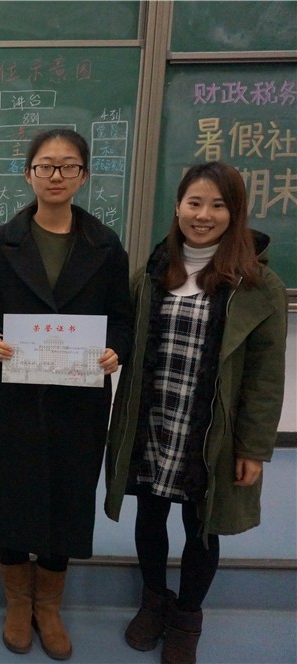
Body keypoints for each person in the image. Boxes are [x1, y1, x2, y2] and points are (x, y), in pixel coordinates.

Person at [104, 161, 287, 664]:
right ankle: (153, 600)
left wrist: (253, 448)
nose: (203, 215)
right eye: (194, 203)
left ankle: (187, 618)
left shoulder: (258, 285)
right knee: (150, 513)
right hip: (152, 419)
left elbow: (266, 377)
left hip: (212, 430)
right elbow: (125, 337)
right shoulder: (153, 272)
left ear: (236, 213)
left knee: (202, 524)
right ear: (178, 206)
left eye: (218, 205)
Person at [0, 128, 132, 660]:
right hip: (13, 395)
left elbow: (122, 319)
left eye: (68, 166)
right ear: (28, 173)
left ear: (83, 175)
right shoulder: (0, 242)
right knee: (10, 490)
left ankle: (49, 605)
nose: (56, 175)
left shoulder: (106, 245)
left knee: (68, 492)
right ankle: (18, 602)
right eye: (45, 165)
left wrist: (115, 350)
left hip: (78, 398)